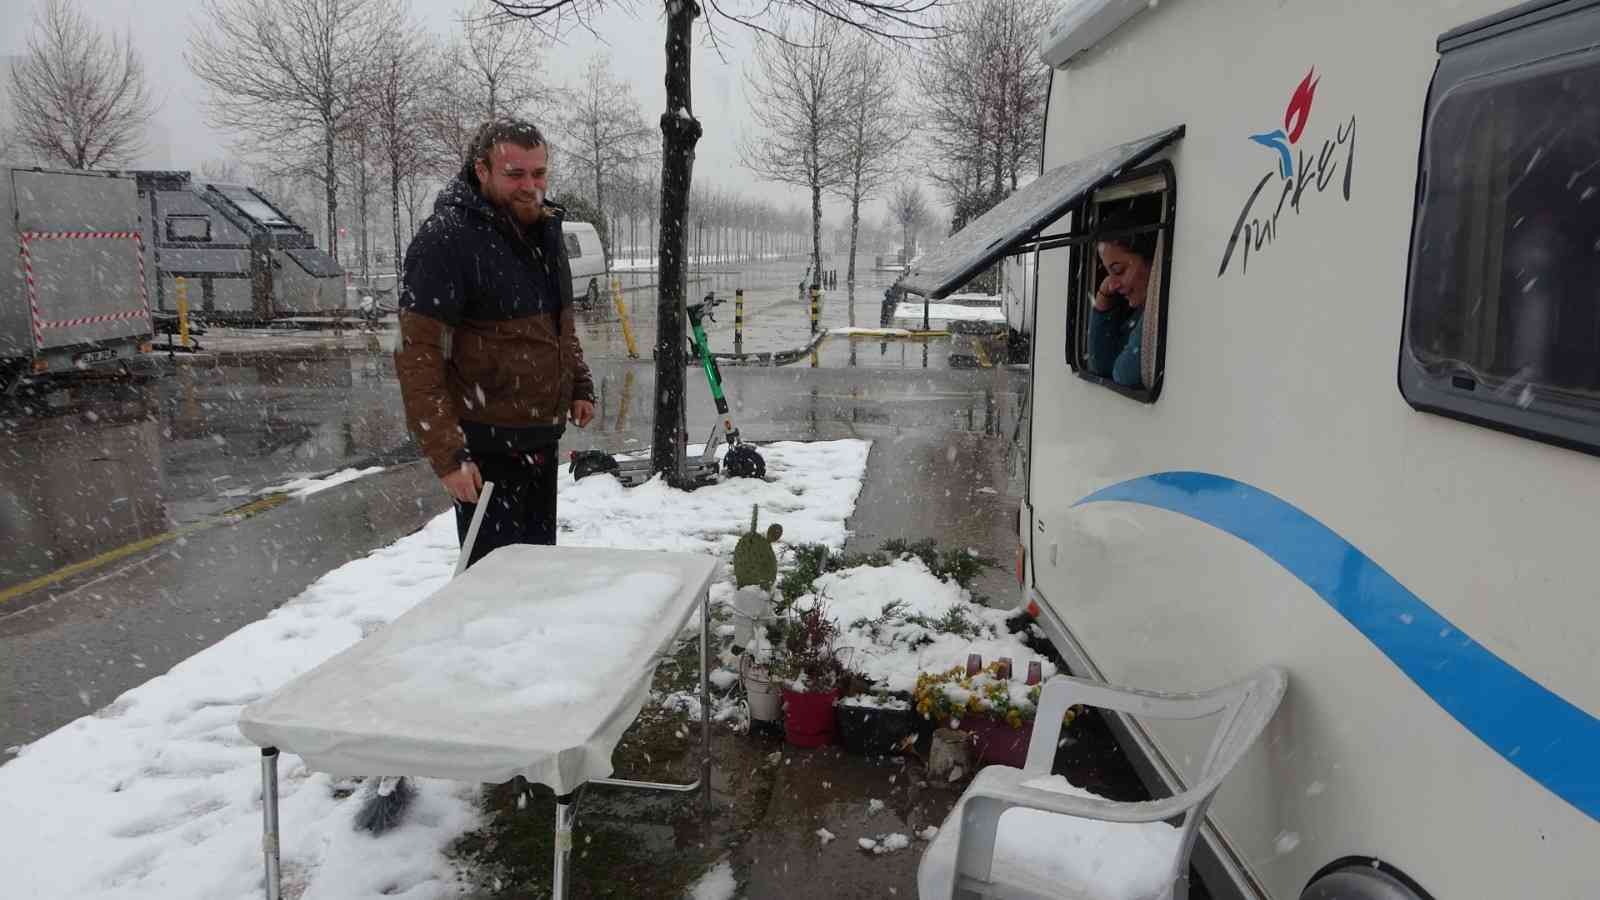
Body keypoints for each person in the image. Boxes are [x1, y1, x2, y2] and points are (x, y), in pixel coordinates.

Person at [395, 118, 596, 568]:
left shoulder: (545, 231)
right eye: (515, 174)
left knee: (536, 573)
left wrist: (579, 384)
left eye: (539, 173)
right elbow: (417, 355)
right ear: (481, 170)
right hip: (487, 450)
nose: (530, 186)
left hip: (541, 441)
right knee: (491, 586)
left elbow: (559, 325)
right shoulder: (446, 239)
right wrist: (449, 457)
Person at [1085, 211, 1159, 388]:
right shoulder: (1137, 314)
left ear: (1153, 261)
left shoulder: (1158, 313)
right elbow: (1100, 365)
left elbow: (1125, 374)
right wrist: (1103, 300)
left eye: (1118, 270)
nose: (1112, 284)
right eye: (1108, 274)